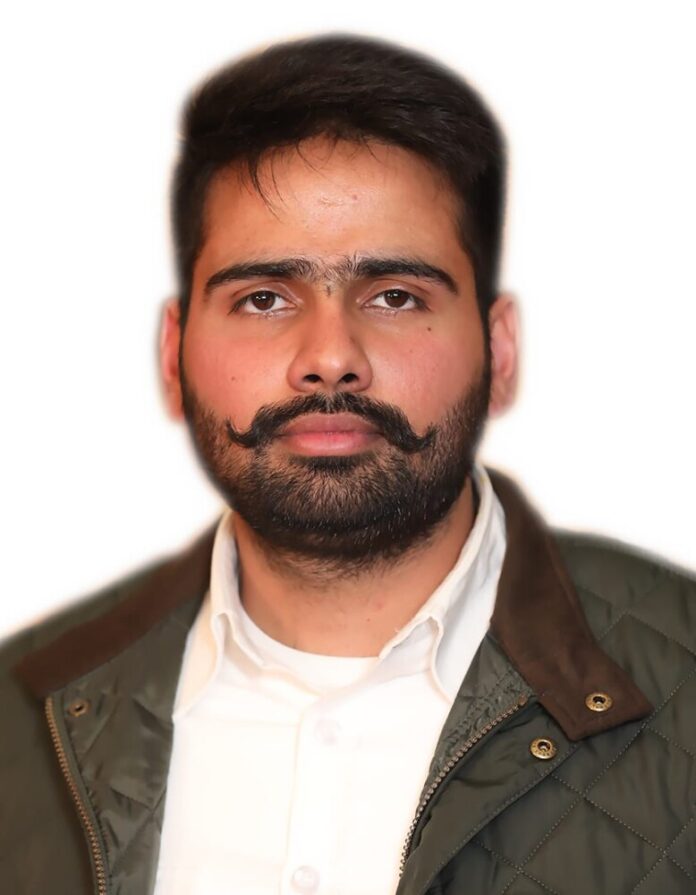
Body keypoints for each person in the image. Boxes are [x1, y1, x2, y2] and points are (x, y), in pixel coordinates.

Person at [1, 32, 694, 895]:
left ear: (500, 349)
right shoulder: (19, 718)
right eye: (264, 298)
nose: (330, 358)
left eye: (395, 296)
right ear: (174, 354)